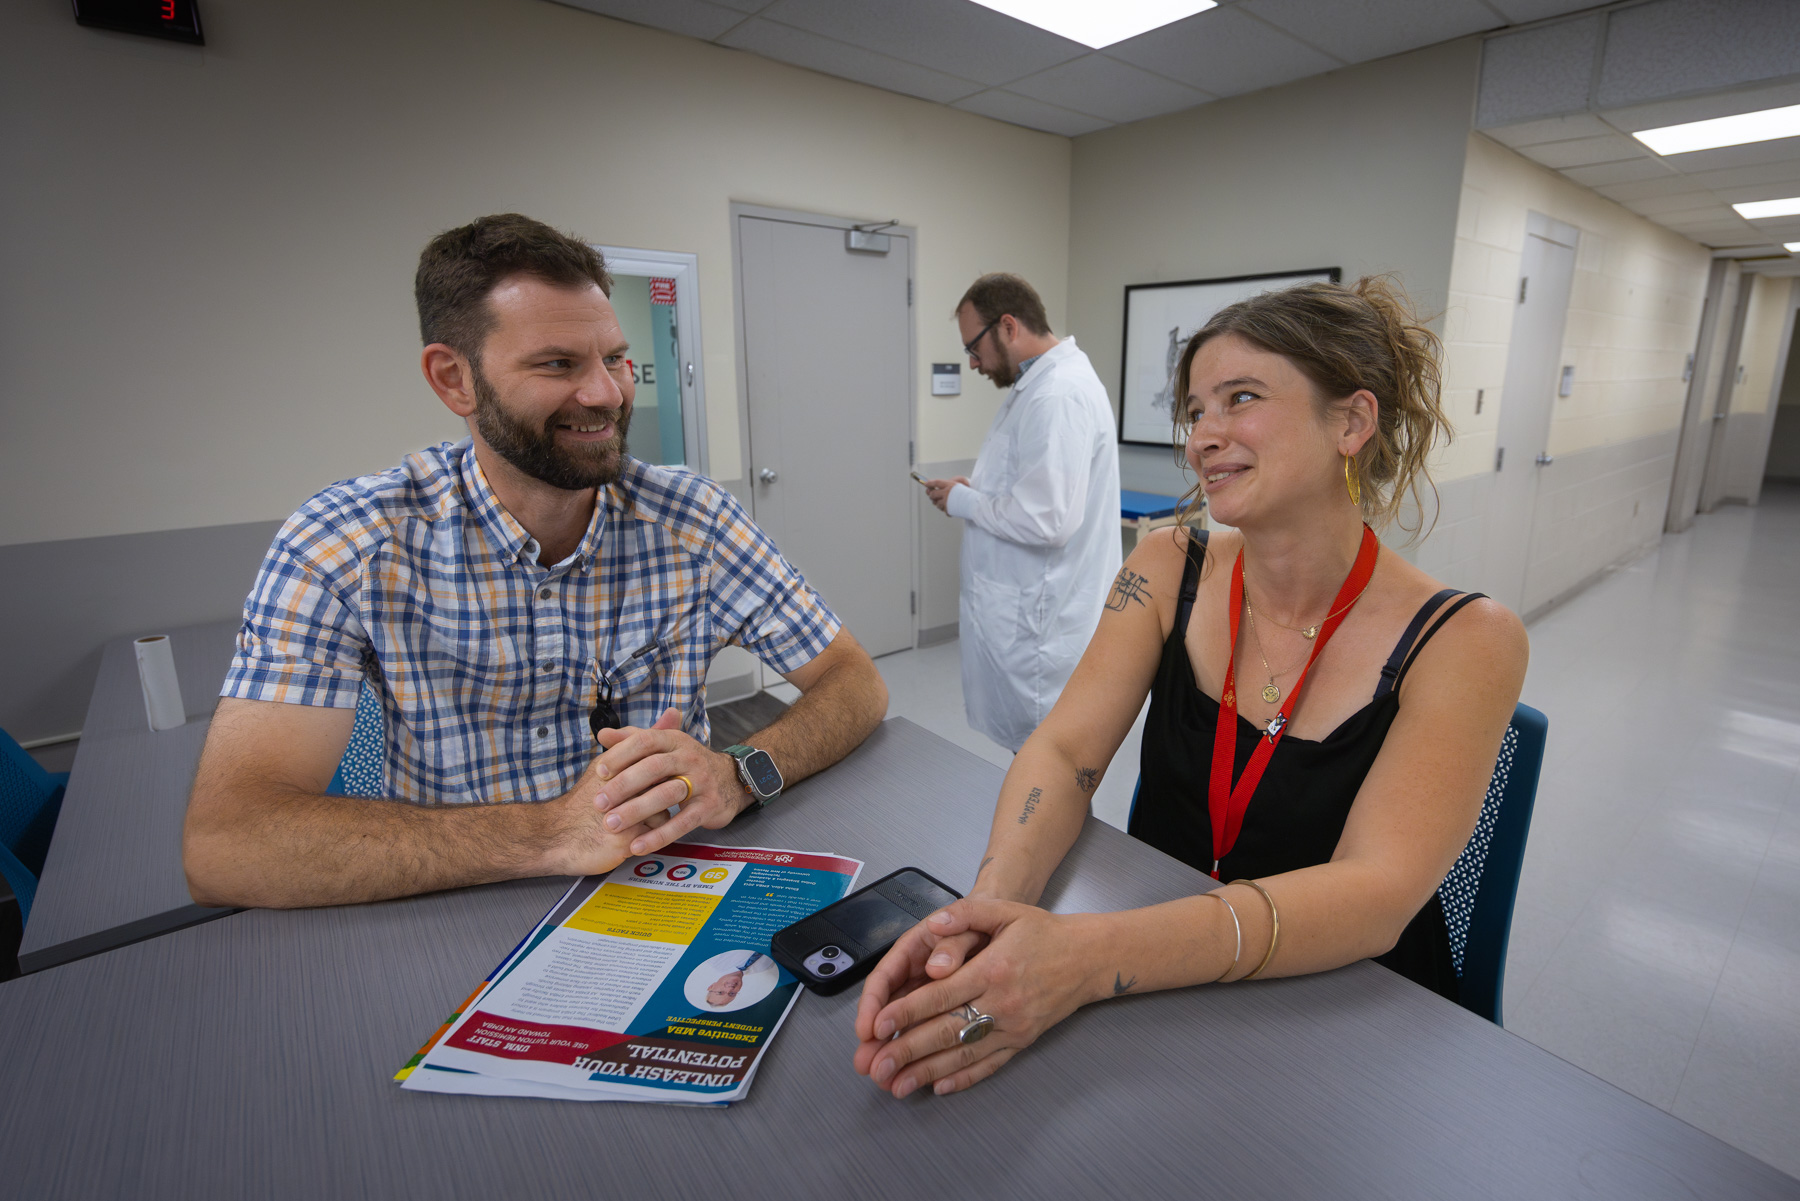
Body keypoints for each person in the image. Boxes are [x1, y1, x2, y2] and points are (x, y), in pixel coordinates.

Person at [855, 278, 1528, 1100]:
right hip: (1155, 977)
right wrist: (988, 917)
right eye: (1197, 412)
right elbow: (1066, 751)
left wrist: (1085, 959)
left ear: (1351, 421)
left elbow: (1375, 893)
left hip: (1342, 1013)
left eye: (1239, 399)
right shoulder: (1170, 564)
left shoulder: (1466, 639)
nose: (1205, 435)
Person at [183, 214, 888, 910]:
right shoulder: (347, 544)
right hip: (454, 901)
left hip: (669, 890)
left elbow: (854, 682)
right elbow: (227, 841)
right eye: (558, 364)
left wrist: (738, 774)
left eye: (615, 358)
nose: (607, 394)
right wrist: (550, 835)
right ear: (454, 379)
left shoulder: (692, 519)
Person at [919, 274, 1121, 754]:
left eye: (974, 346)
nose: (972, 362)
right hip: (1029, 619)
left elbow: (1047, 520)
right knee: (1040, 765)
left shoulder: (1057, 395)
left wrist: (965, 501)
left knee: (1047, 769)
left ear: (1008, 326)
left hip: (1041, 634)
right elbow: (1036, 491)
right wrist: (977, 490)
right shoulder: (1040, 385)